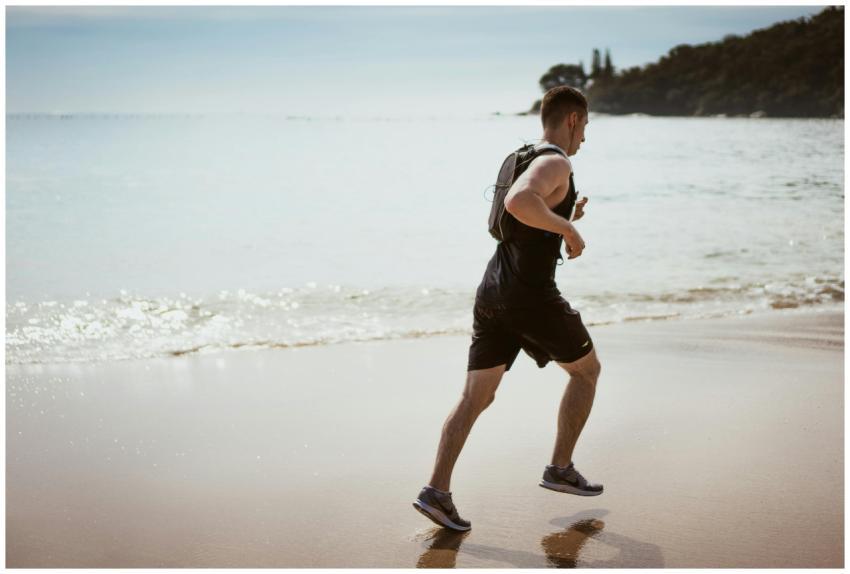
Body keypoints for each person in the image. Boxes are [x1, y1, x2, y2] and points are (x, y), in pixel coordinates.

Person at [413, 86, 602, 532]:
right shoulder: (557, 161)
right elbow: (519, 203)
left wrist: (560, 217)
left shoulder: (519, 156)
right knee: (587, 372)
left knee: (476, 397)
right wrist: (568, 233)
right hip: (530, 296)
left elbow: (503, 222)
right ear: (573, 119)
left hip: (493, 292)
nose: (585, 139)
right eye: (586, 127)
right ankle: (560, 468)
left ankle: (436, 491)